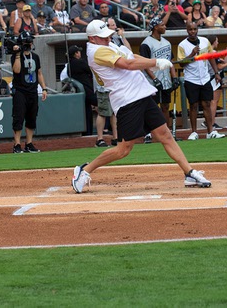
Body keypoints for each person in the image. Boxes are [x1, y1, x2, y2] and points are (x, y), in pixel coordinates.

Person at [71, 20, 212, 193]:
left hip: (141, 93)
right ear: (92, 39)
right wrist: (155, 63)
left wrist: (157, 61)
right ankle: (84, 171)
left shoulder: (109, 45)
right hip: (127, 100)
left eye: (108, 35)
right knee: (124, 149)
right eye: (103, 37)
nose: (107, 38)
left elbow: (132, 57)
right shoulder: (97, 51)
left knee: (165, 135)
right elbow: (128, 65)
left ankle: (189, 172)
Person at [177, 22, 225, 140]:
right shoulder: (182, 45)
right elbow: (181, 63)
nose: (193, 31)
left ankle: (210, 131)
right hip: (191, 79)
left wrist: (216, 73)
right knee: (193, 105)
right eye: (190, 29)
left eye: (195, 29)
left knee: (207, 104)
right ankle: (194, 132)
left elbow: (210, 58)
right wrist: (192, 54)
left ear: (197, 30)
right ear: (187, 31)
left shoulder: (204, 41)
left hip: (205, 78)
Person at [139, 18, 180, 143]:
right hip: (152, 81)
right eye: (162, 25)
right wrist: (155, 79)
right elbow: (144, 64)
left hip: (166, 79)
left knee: (165, 106)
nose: (165, 27)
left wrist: (174, 77)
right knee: (151, 107)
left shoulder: (167, 43)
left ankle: (166, 133)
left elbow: (170, 62)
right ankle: (148, 134)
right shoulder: (146, 43)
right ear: (155, 27)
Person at [10, 31, 48, 153]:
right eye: (27, 42)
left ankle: (29, 143)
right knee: (19, 116)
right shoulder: (16, 55)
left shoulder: (35, 56)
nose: (30, 44)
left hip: (32, 90)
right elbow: (16, 70)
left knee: (32, 117)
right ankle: (17, 144)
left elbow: (39, 73)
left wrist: (44, 88)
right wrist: (17, 54)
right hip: (20, 90)